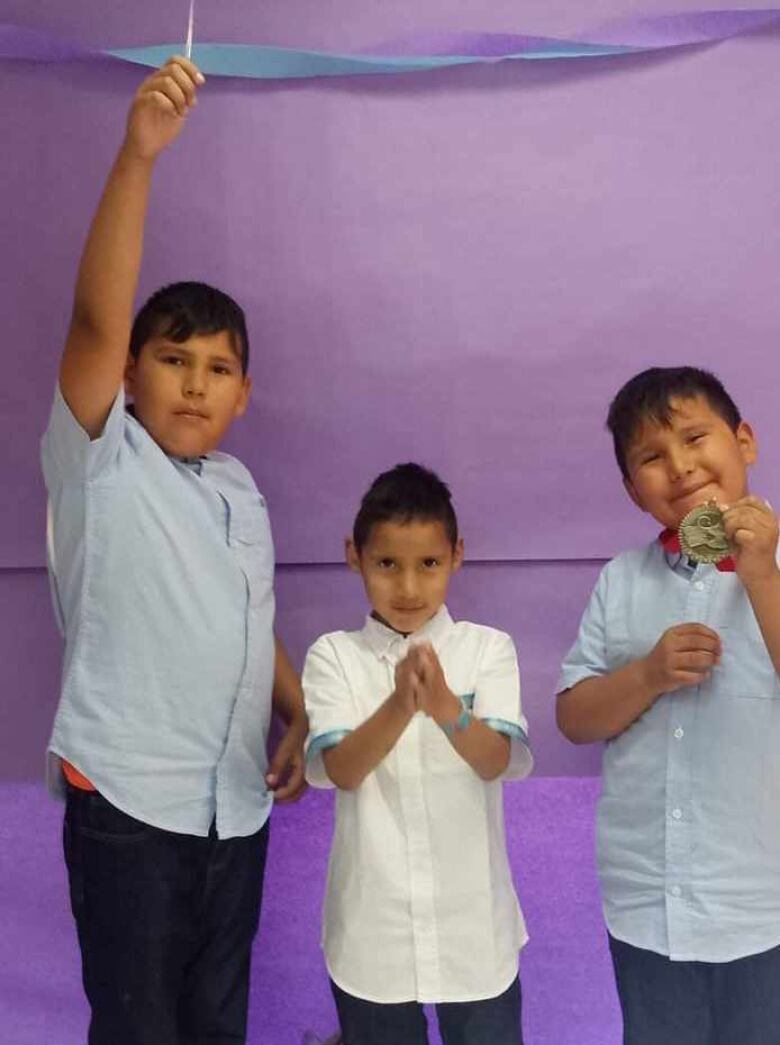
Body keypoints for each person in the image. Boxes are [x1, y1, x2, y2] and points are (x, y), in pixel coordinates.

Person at [41, 56, 307, 1045]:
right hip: (127, 806)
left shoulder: (241, 490)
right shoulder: (99, 456)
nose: (195, 384)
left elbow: (248, 614)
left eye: (219, 368)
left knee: (213, 1026)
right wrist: (139, 155)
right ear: (129, 373)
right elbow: (95, 318)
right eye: (172, 358)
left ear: (245, 394)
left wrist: (298, 705)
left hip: (234, 812)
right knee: (140, 1029)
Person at [557, 366, 780, 1045]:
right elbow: (573, 716)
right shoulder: (622, 580)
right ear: (632, 488)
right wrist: (648, 674)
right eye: (652, 457)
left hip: (764, 901)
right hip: (648, 899)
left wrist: (760, 571)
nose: (680, 467)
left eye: (694, 437)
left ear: (744, 440)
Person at [303, 463, 532, 1045]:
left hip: (474, 931)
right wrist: (401, 704)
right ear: (354, 556)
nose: (408, 588)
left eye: (428, 563)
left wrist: (446, 706)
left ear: (457, 555)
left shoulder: (487, 649)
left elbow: (496, 761)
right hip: (371, 933)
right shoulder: (333, 657)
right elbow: (341, 771)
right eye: (387, 564)